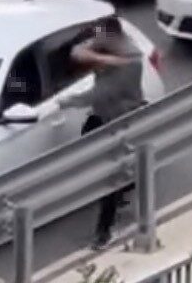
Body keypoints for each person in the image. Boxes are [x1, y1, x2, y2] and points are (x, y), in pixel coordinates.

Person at [54, 13, 146, 250]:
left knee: (110, 176)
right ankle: (128, 182)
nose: (95, 40)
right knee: (88, 144)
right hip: (102, 116)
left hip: (121, 120)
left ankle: (104, 232)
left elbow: (101, 94)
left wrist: (68, 101)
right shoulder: (107, 47)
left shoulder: (132, 61)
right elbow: (76, 52)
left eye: (100, 36)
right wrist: (103, 58)